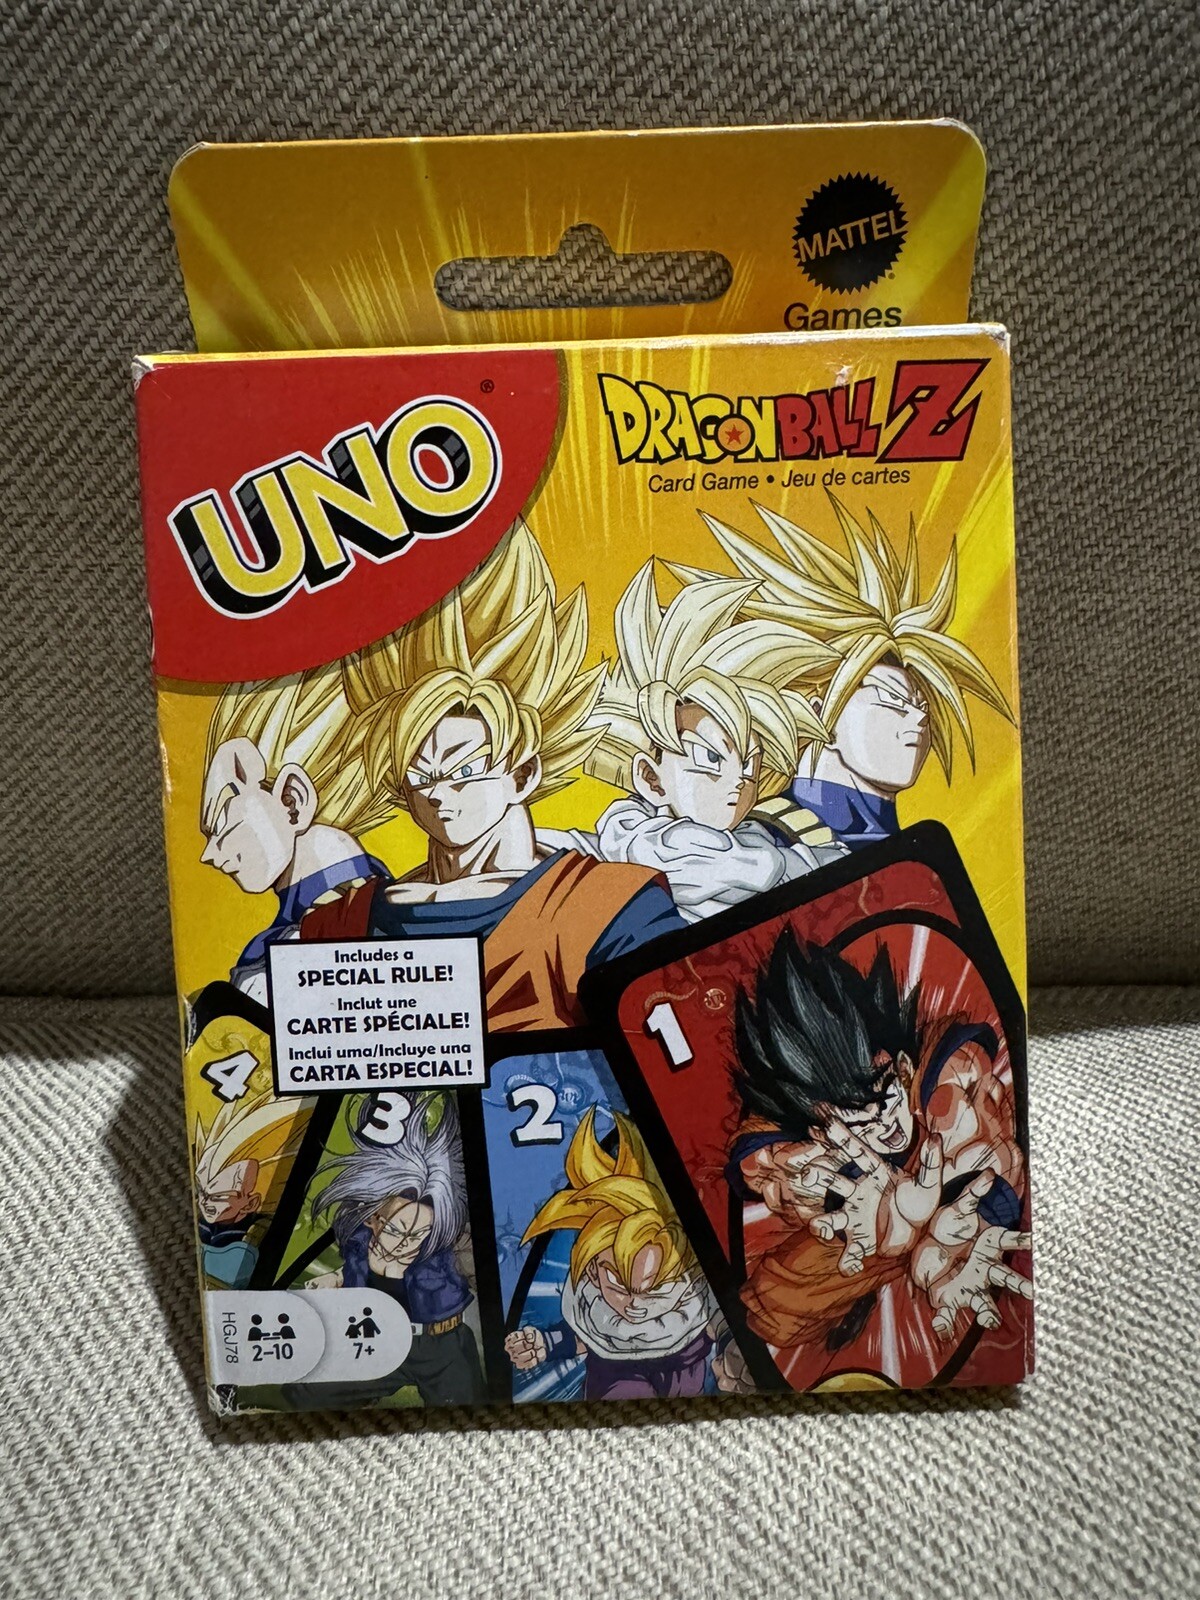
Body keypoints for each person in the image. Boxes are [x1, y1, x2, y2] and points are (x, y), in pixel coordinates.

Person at [300, 521, 684, 1030]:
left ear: (521, 775)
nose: (439, 795)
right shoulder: (346, 920)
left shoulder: (609, 907)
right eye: (420, 777)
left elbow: (682, 1049)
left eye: (464, 770)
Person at [728, 929, 1030, 1384]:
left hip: (950, 1227)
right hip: (855, 1249)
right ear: (821, 1125)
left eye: (884, 1092)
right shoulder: (800, 1149)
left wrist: (972, 1222)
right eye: (856, 1117)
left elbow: (982, 1147)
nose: (882, 1122)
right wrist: (846, 1200)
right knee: (774, 1304)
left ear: (903, 1068)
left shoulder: (945, 1081)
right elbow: (765, 1167)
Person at [671, 496, 1015, 848]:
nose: (919, 719)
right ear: (820, 712)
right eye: (892, 699)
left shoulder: (904, 849)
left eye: (922, 706)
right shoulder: (756, 848)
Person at [549, 560, 844, 922]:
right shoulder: (616, 850)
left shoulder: (775, 841)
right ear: (652, 779)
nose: (738, 781)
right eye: (711, 759)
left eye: (749, 766)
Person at [505, 1109, 740, 1399]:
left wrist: (737, 1350)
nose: (635, 1305)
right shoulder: (594, 1301)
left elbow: (720, 1324)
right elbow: (589, 1334)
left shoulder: (696, 1292)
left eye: (657, 1289)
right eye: (618, 1284)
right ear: (593, 1271)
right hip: (616, 1384)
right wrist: (546, 1343)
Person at [199, 665, 390, 1001]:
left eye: (223, 826)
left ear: (292, 801)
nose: (209, 854)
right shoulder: (285, 936)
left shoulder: (352, 921)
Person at [290, 1095, 485, 1408]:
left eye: (419, 1233)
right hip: (377, 1341)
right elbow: (357, 1273)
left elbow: (485, 1273)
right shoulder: (359, 1239)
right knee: (304, 1394)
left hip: (440, 1348)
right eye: (396, 1229)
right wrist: (336, 1278)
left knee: (467, 1412)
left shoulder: (450, 1242)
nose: (407, 1242)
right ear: (373, 1219)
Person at [193, 1086, 312, 1289]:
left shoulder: (260, 1234)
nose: (205, 1201)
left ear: (251, 1203)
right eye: (202, 1190)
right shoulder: (199, 1217)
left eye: (218, 1196)